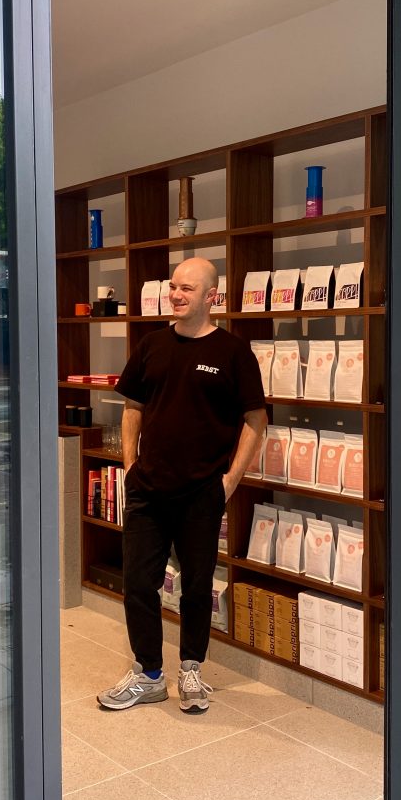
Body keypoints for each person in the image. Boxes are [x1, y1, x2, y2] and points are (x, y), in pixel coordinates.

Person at [97, 257, 267, 714]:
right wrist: (130, 464)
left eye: (187, 289)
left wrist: (230, 481)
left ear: (211, 296)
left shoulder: (233, 353)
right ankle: (149, 673)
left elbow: (256, 420)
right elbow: (132, 406)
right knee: (138, 583)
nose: (176, 295)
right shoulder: (152, 345)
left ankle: (191, 668)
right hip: (148, 489)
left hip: (201, 493)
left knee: (196, 586)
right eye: (174, 286)